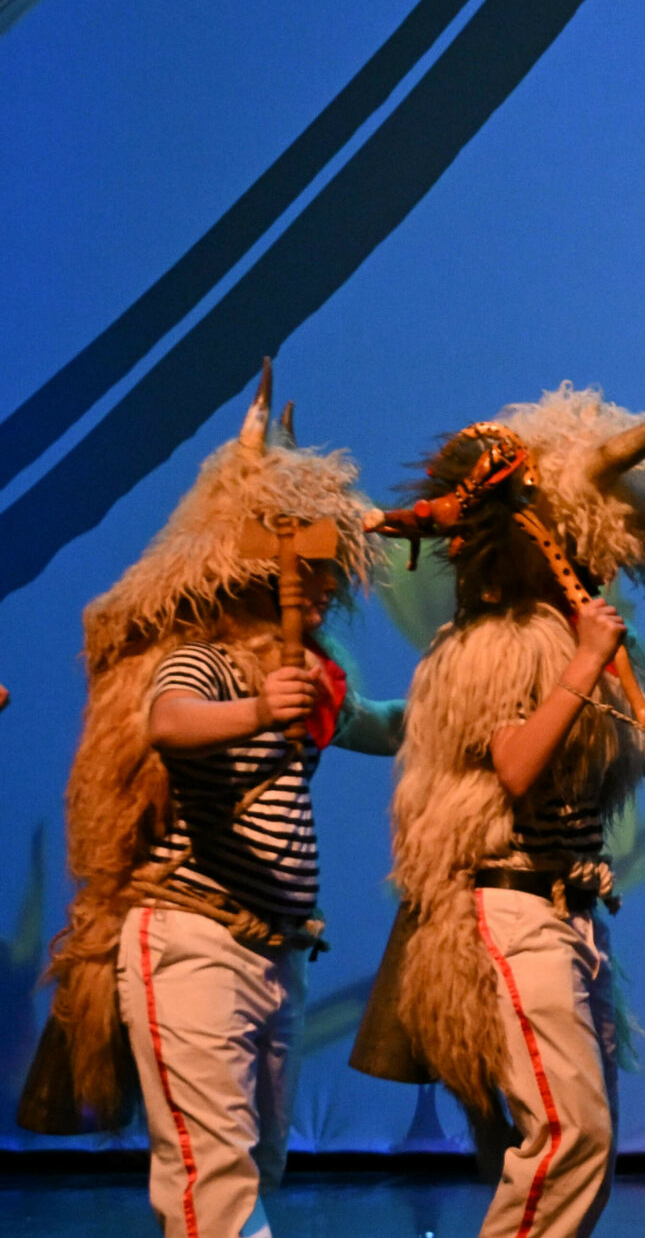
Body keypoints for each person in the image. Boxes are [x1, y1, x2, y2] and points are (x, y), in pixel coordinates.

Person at [350, 306, 645, 1238]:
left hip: (571, 911)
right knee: (568, 1135)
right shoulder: (502, 642)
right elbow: (513, 765)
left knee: (583, 1142)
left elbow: (641, 750)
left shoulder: (564, 639)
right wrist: (584, 661)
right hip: (509, 909)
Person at [18, 368, 401, 1238]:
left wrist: (470, 702)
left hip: (277, 952)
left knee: (253, 1167)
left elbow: (384, 724)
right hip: (193, 939)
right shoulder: (209, 661)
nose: (324, 584)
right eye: (308, 565)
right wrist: (259, 708)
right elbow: (170, 720)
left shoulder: (305, 679)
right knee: (213, 1180)